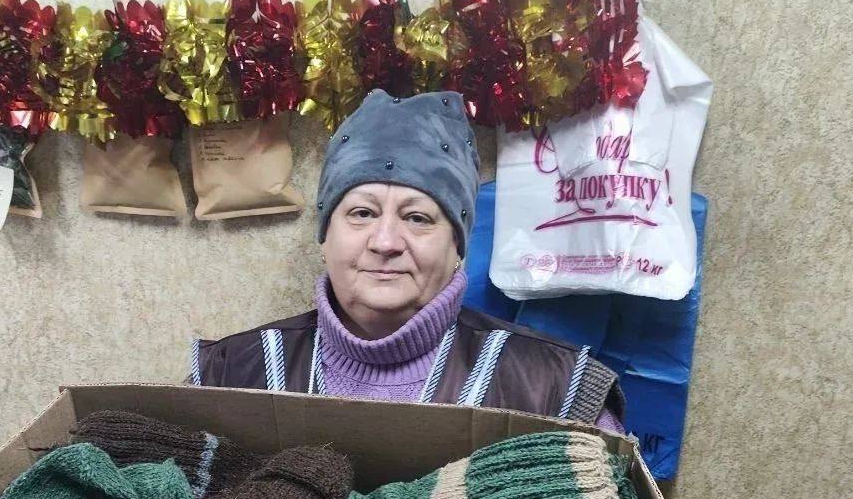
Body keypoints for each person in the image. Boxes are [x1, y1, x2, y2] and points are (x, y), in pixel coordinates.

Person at [190, 89, 624, 431]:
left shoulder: (554, 392)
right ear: (325, 237)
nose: (385, 242)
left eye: (418, 218)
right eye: (362, 213)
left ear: (457, 246)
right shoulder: (227, 376)